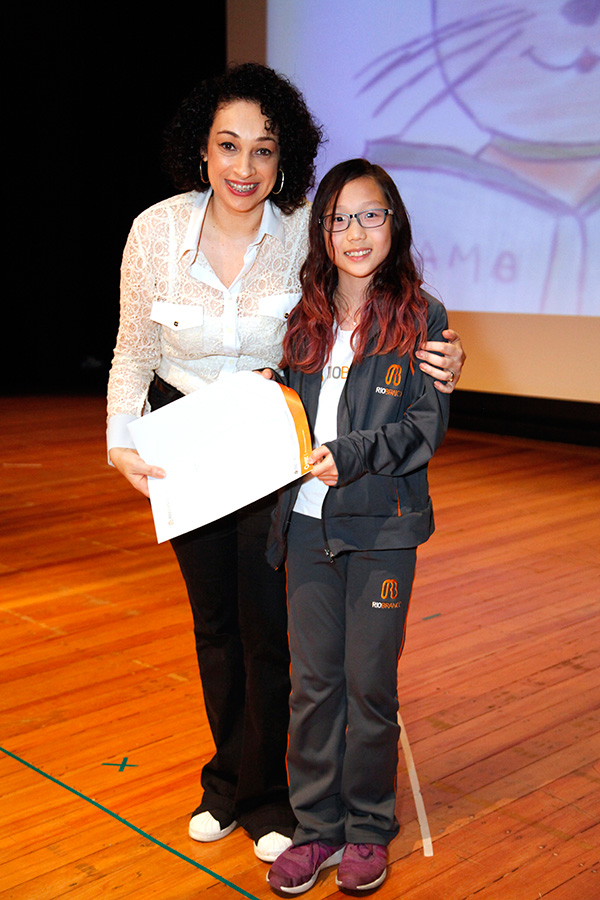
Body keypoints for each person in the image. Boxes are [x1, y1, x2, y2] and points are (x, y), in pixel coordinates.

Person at [106, 65, 465, 864]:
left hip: (277, 458)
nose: (244, 166)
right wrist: (120, 438)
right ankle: (228, 780)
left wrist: (447, 356)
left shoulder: (305, 229)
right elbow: (132, 350)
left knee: (273, 636)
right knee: (216, 628)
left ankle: (273, 795)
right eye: (228, 146)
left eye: (263, 150)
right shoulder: (155, 232)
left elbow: (383, 300)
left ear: (285, 158)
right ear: (201, 151)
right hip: (188, 451)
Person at [265, 159, 450, 894]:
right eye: (340, 218)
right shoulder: (301, 317)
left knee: (369, 686)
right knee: (313, 686)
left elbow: (423, 426)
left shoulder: (423, 316)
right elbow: (286, 414)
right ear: (323, 232)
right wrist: (266, 398)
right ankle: (317, 829)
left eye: (371, 215)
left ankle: (369, 827)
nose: (356, 232)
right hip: (307, 528)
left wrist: (352, 454)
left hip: (382, 532)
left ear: (394, 223)